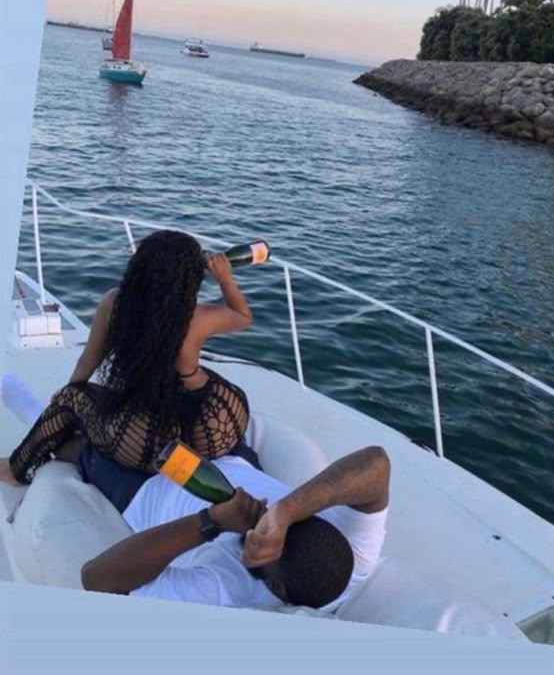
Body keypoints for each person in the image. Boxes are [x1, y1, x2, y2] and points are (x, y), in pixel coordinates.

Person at [0, 230, 255, 494]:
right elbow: (242, 316)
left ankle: (16, 470)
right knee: (194, 375)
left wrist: (69, 395)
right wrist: (225, 278)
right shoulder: (197, 316)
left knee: (70, 402)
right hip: (215, 430)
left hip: (151, 442)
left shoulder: (115, 304)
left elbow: (90, 361)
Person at [81, 445, 390, 612]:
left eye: (269, 543)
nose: (264, 524)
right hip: (230, 456)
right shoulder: (355, 559)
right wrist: (287, 510)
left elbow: (95, 577)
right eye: (282, 527)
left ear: (278, 589)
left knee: (82, 435)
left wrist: (212, 521)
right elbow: (377, 462)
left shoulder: (229, 591)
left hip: (143, 488)